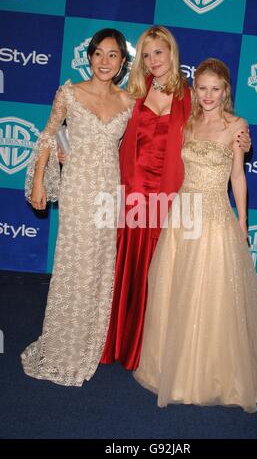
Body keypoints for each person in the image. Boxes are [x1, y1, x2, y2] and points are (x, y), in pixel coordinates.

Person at [99, 27, 251, 370]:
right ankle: (123, 342)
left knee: (165, 276)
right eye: (147, 54)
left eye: (160, 53)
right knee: (130, 267)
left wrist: (241, 140)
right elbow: (107, 134)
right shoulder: (134, 94)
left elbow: (218, 129)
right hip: (134, 196)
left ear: (172, 54)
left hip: (170, 199)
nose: (154, 61)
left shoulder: (190, 96)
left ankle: (152, 350)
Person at [133, 58, 257, 413]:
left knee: (211, 296)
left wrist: (243, 221)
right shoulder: (189, 122)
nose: (209, 95)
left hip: (214, 217)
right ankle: (173, 368)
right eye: (203, 88)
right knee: (175, 290)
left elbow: (238, 178)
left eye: (216, 89)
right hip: (183, 214)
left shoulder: (237, 126)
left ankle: (211, 373)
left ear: (226, 90)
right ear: (194, 90)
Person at [21, 28, 133, 386]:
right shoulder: (69, 93)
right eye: (98, 53)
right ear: (89, 57)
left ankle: (88, 342)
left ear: (121, 62)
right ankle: (62, 346)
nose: (104, 61)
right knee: (73, 264)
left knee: (99, 267)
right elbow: (48, 135)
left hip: (108, 193)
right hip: (78, 190)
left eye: (112, 55)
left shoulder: (130, 102)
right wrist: (39, 180)